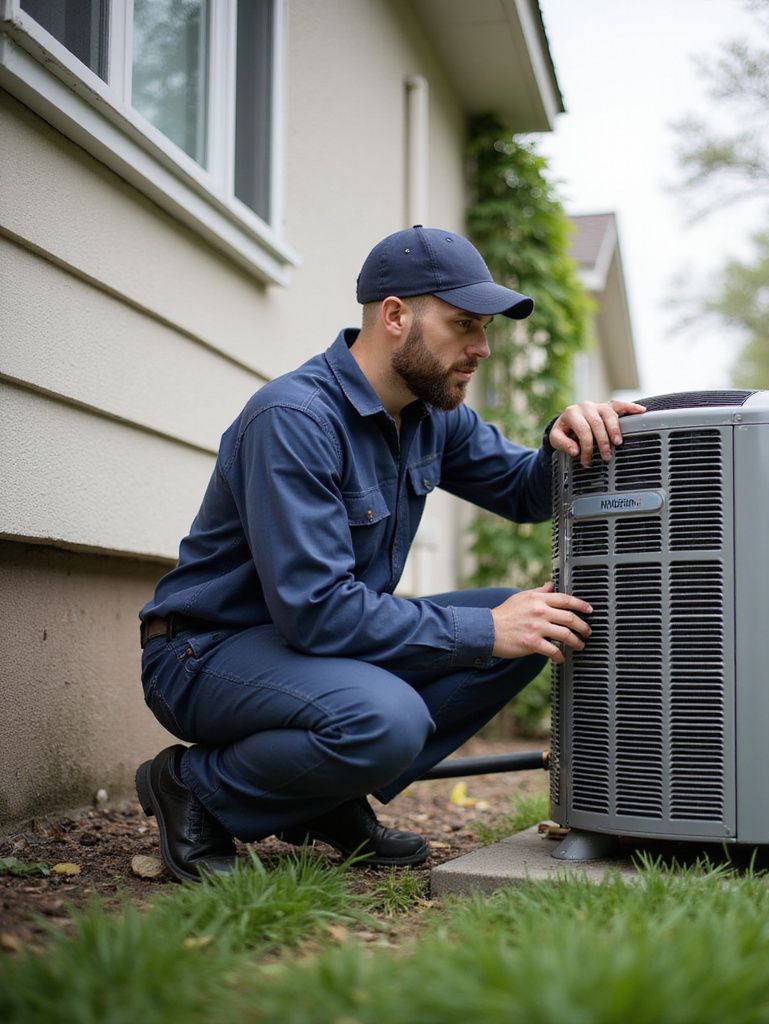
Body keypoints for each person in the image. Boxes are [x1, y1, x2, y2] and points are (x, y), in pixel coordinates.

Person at [135, 225, 645, 881]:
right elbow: (317, 611)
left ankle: (321, 797)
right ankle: (195, 788)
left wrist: (562, 438)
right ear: (396, 316)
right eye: (463, 325)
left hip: (307, 650)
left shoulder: (430, 413)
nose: (481, 349)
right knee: (390, 718)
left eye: (485, 329)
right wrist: (484, 630)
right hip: (205, 652)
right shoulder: (293, 417)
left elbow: (523, 492)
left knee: (541, 619)